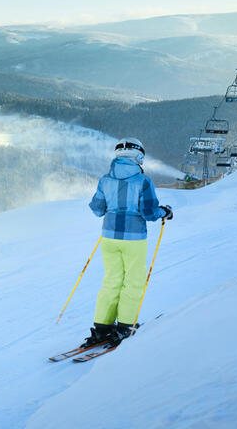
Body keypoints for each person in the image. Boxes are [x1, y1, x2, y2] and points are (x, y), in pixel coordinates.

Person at [83, 138, 172, 347]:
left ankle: (102, 328)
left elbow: (97, 209)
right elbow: (149, 213)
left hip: (109, 238)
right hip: (134, 239)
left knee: (111, 280)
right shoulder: (143, 181)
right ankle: (125, 326)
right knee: (133, 281)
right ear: (139, 156)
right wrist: (165, 212)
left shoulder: (105, 180)